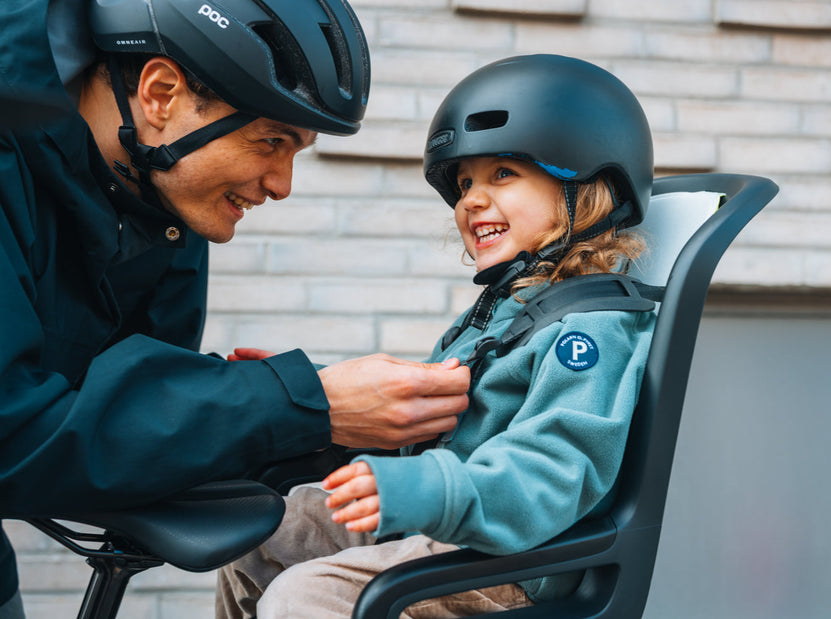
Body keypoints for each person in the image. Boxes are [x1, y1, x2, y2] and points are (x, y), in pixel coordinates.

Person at [0, 1, 470, 616]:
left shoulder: (159, 188)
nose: (282, 184)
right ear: (161, 93)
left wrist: (336, 421)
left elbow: (136, 414)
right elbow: (13, 434)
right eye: (270, 141)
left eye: (296, 150)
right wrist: (301, 401)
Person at [216, 53, 657, 618]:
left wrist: (428, 489)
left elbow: (553, 473)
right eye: (466, 181)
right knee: (262, 532)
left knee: (308, 595)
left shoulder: (592, 330)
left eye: (503, 173)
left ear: (588, 185)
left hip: (516, 562)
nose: (470, 198)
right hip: (457, 528)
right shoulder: (505, 307)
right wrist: (315, 391)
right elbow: (436, 410)